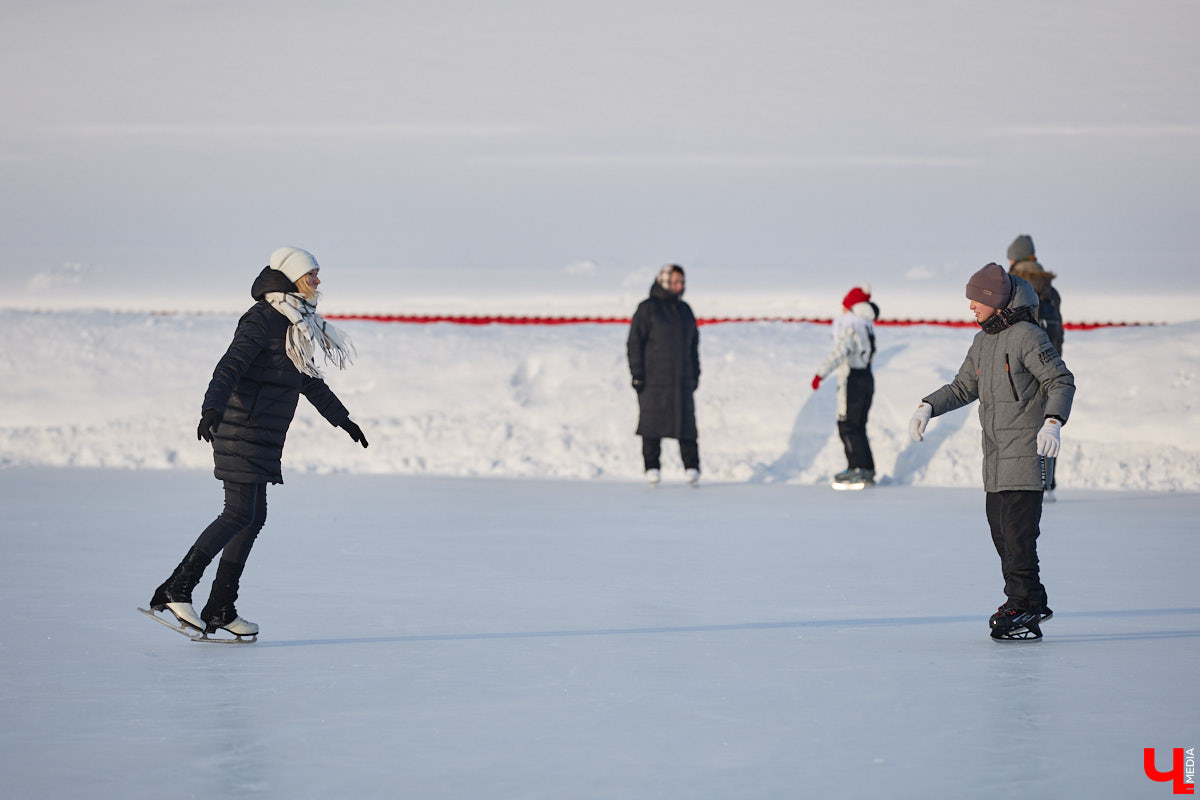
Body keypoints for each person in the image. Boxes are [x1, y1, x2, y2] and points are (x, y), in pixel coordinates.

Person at [145, 247, 369, 640]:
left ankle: (220, 608)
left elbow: (306, 380)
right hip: (239, 429)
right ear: (293, 278)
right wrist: (211, 408)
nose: (318, 281)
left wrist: (342, 419)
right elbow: (230, 363)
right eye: (312, 274)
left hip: (262, 436)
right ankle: (176, 589)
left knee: (252, 517)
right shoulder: (264, 318)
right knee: (237, 514)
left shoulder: (293, 322)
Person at [908, 263, 1074, 641]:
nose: (970, 307)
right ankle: (1025, 600)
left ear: (995, 301)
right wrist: (928, 406)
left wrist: (1053, 421)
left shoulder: (1028, 337)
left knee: (1018, 536)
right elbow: (964, 387)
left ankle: (1025, 602)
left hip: (1025, 455)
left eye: (975, 300)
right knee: (1001, 533)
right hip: (996, 459)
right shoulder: (983, 342)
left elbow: (1060, 379)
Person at [627, 264, 701, 486]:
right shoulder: (647, 309)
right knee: (652, 422)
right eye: (676, 281)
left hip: (681, 380)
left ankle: (692, 466)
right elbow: (634, 343)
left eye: (682, 282)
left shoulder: (685, 310)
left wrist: (695, 374)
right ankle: (652, 466)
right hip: (653, 380)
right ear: (665, 281)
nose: (680, 286)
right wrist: (637, 373)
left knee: (686, 423)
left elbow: (693, 345)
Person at [1007, 234, 1064, 497]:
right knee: (1047, 425)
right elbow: (1058, 332)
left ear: (1014, 259)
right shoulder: (1051, 291)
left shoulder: (1015, 285)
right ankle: (1047, 480)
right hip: (1050, 367)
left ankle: (1023, 481)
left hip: (1023, 367)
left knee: (1020, 428)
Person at [811, 285, 877, 488]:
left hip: (853, 380)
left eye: (844, 306)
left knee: (847, 425)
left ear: (851, 307)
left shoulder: (850, 326)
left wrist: (820, 374)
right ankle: (866, 467)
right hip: (866, 378)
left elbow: (840, 353)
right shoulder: (866, 325)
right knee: (858, 425)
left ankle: (857, 468)